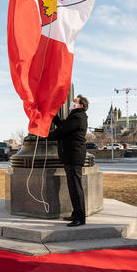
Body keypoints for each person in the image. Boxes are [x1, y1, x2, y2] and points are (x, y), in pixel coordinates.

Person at [48, 94, 88, 227]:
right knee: (73, 187)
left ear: (81, 105)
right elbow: (63, 125)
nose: (72, 103)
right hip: (71, 156)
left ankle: (80, 217)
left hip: (74, 157)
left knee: (76, 188)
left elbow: (62, 131)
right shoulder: (75, 117)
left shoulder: (78, 116)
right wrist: (55, 118)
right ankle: (76, 213)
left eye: (75, 102)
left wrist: (46, 136)